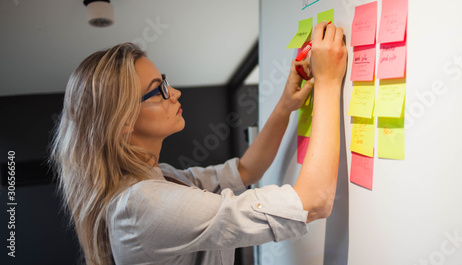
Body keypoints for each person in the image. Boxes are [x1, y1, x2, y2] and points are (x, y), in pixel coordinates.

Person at [50, 21, 347, 265]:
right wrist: (330, 83)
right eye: (159, 90)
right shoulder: (143, 205)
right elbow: (314, 202)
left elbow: (245, 171)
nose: (175, 92)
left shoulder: (156, 178)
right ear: (124, 122)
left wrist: (284, 106)